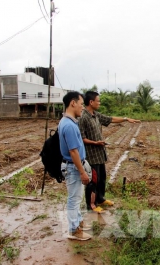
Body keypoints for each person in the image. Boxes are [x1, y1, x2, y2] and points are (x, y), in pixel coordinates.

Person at [79, 90, 140, 213]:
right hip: (91, 156)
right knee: (93, 181)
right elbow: (81, 138)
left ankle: (100, 199)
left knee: (102, 178)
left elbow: (110, 119)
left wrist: (126, 119)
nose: (99, 103)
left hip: (100, 154)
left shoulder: (95, 115)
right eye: (98, 101)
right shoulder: (83, 117)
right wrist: (96, 143)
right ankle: (92, 205)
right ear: (91, 102)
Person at [58, 91, 92, 241]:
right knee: (74, 199)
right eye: (81, 104)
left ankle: (78, 222)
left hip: (73, 166)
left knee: (76, 197)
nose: (82, 108)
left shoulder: (68, 122)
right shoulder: (69, 126)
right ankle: (74, 230)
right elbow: (73, 151)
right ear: (73, 103)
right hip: (73, 167)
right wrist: (82, 172)